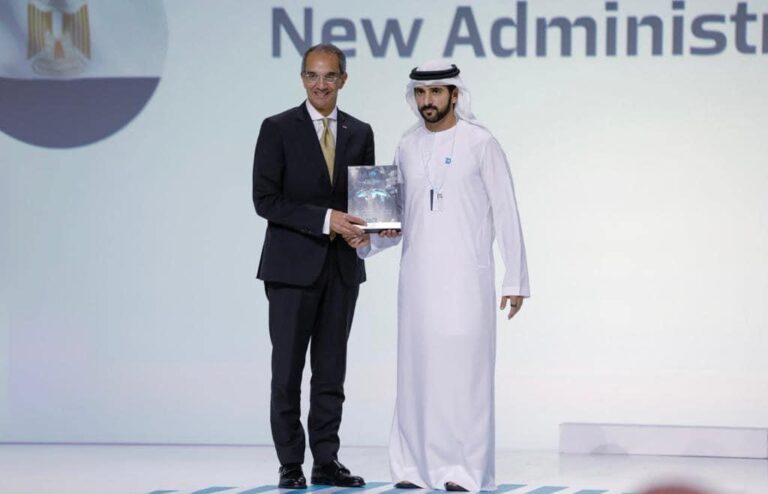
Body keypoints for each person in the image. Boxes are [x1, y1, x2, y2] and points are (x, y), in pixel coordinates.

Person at [349, 60, 530, 491]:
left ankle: (466, 472)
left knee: (466, 378)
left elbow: (506, 211)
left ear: (454, 94)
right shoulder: (407, 145)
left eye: (435, 92)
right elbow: (399, 219)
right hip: (417, 281)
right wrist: (368, 240)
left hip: (468, 281)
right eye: (420, 93)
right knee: (416, 377)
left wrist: (515, 279)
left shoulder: (481, 143)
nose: (427, 101)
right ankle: (412, 470)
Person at [252, 43, 374, 489]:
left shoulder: (361, 132)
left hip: (341, 269)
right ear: (302, 78)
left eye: (329, 76)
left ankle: (326, 460)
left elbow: (366, 200)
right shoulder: (277, 128)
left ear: (343, 79)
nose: (320, 85)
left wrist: (367, 231)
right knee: (286, 372)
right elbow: (265, 200)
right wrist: (326, 220)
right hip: (290, 270)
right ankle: (290, 464)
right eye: (312, 76)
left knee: (331, 372)